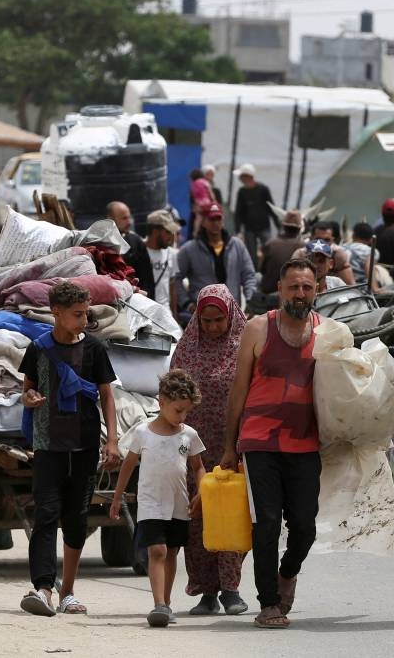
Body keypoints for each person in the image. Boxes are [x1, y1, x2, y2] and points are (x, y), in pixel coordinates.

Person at [220, 258, 323, 630]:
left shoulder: (327, 333)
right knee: (265, 523)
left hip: (306, 443)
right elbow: (239, 391)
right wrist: (230, 447)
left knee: (305, 526)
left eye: (307, 287)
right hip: (260, 440)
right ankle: (269, 603)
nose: (300, 293)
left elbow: (344, 392)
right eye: (293, 286)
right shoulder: (258, 328)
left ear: (317, 290)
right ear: (279, 289)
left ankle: (288, 572)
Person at [18, 281, 121, 617]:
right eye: (76, 314)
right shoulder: (38, 349)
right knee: (46, 514)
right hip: (48, 445)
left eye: (85, 313)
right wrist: (31, 399)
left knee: (76, 519)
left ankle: (68, 591)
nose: (83, 320)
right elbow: (27, 391)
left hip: (85, 445)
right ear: (56, 313)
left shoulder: (94, 349)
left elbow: (107, 395)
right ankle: (43, 589)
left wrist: (113, 441)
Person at [169, 285, 250, 616]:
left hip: (235, 446)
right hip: (194, 451)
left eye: (219, 320)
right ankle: (205, 591)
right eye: (207, 320)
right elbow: (172, 394)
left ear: (230, 315)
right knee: (198, 519)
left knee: (230, 514)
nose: (214, 327)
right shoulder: (187, 350)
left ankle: (230, 588)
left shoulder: (246, 346)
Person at [110, 369, 206, 627]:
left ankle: (166, 602)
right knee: (157, 550)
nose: (182, 416)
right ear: (161, 402)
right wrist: (117, 498)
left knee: (172, 552)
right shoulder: (143, 432)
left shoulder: (189, 435)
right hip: (150, 503)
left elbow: (197, 466)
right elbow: (128, 465)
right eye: (178, 410)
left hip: (179, 504)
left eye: (186, 411)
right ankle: (158, 604)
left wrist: (202, 493)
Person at [175, 203, 256, 321]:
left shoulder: (237, 246)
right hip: (204, 316)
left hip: (232, 313)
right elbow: (175, 278)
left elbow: (249, 275)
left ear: (223, 220)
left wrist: (250, 300)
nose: (216, 223)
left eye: (218, 218)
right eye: (211, 219)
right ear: (203, 222)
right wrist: (187, 304)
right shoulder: (189, 249)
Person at [130, 209, 180, 310]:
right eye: (168, 232)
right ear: (155, 231)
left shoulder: (172, 253)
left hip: (165, 313)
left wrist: (174, 316)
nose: (171, 236)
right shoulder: (137, 252)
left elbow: (172, 287)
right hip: (143, 311)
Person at [234, 163, 277, 270]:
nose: (240, 179)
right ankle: (254, 273)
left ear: (248, 176)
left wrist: (279, 224)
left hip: (264, 227)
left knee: (269, 251)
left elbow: (271, 207)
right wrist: (238, 229)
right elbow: (239, 211)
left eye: (241, 176)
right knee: (251, 254)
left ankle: (266, 271)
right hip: (249, 228)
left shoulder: (263, 189)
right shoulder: (242, 192)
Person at [259, 210, 306, 294]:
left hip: (268, 291)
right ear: (299, 228)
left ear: (283, 226)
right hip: (290, 294)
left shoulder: (270, 244)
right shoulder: (304, 247)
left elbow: (262, 269)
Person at [343, 222, 379, 286]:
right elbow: (369, 269)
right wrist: (376, 289)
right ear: (371, 239)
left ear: (353, 235)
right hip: (360, 289)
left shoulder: (341, 247)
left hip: (339, 287)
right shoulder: (371, 251)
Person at [189, 169, 216, 238]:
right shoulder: (205, 182)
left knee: (198, 218)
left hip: (199, 204)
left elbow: (194, 195)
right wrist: (214, 202)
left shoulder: (194, 184)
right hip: (207, 202)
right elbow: (211, 194)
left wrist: (196, 205)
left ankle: (195, 232)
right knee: (207, 217)